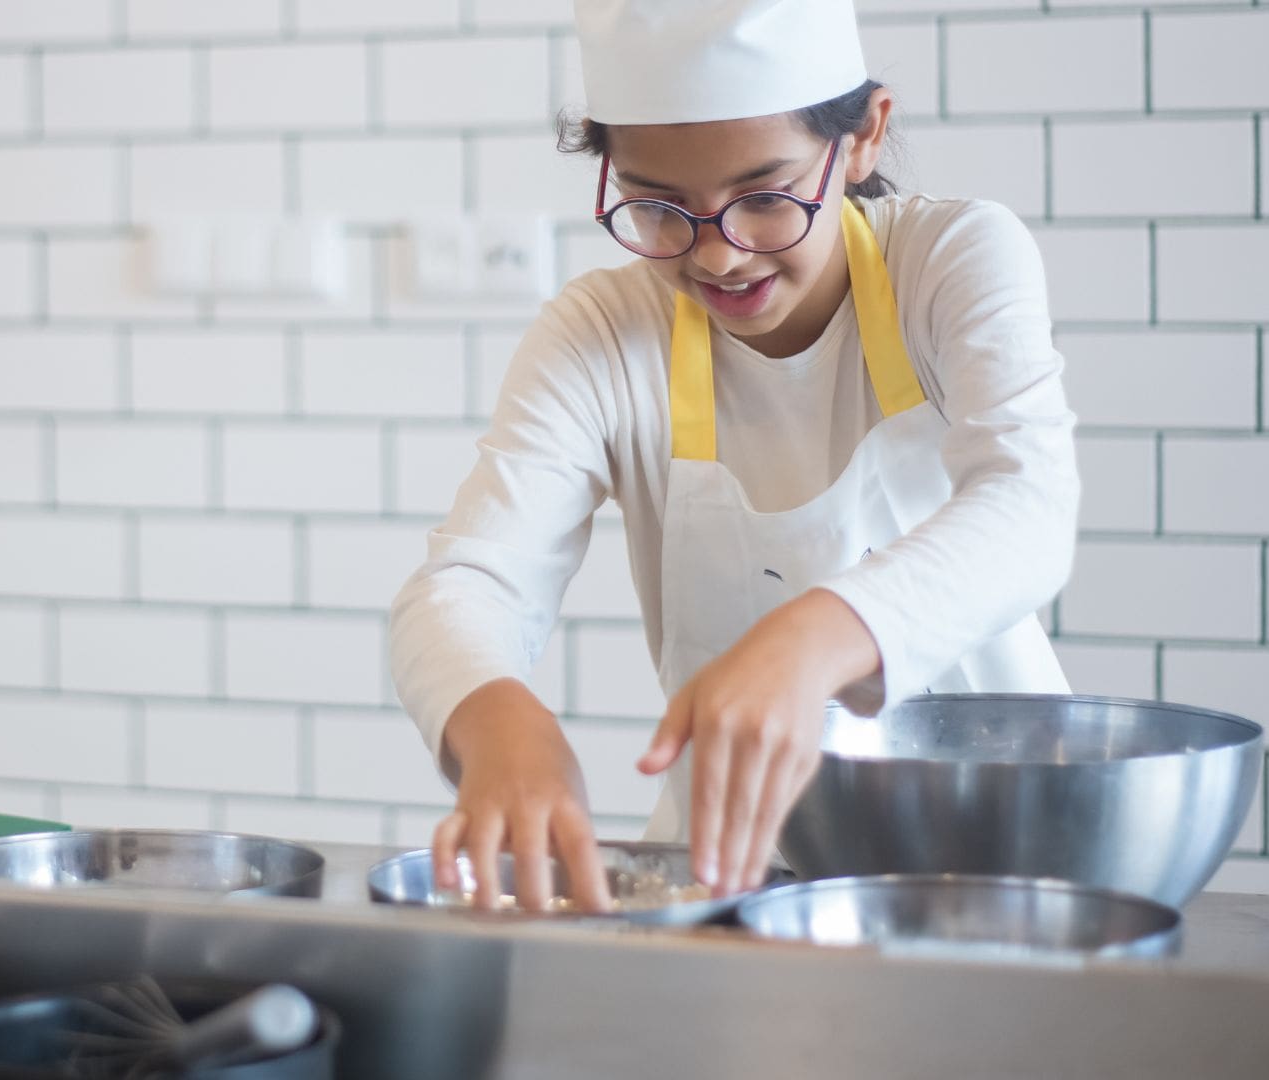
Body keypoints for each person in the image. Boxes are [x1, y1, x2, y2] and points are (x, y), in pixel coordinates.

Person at [388, 0, 1078, 911]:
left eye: (763, 197)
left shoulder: (950, 261)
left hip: (994, 863)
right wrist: (497, 720)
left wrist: (808, 642)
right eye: (659, 208)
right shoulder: (602, 335)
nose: (718, 255)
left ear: (865, 137)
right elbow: (465, 586)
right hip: (732, 880)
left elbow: (1026, 510)